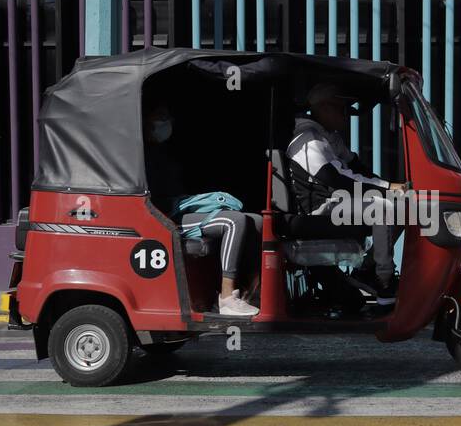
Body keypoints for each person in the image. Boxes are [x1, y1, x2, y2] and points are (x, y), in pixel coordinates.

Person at [286, 83, 405, 306]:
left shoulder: (329, 136)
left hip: (337, 202)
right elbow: (336, 179)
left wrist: (390, 187)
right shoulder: (307, 138)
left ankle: (368, 270)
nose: (347, 114)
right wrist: (387, 189)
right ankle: (383, 279)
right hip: (319, 209)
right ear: (323, 108)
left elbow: (356, 168)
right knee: (385, 209)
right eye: (341, 108)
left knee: (403, 206)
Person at [143, 99, 261, 317]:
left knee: (256, 220)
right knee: (233, 221)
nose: (166, 121)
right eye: (160, 115)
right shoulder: (140, 155)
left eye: (167, 116)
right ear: (146, 119)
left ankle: (244, 294)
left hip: (181, 208)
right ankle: (226, 297)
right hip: (164, 217)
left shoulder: (165, 153)